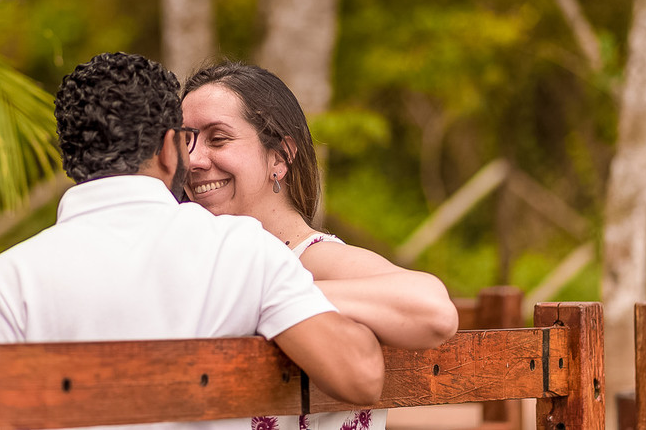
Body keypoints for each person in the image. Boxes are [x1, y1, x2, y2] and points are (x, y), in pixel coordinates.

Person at [0, 52, 385, 430]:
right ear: (171, 149)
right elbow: (361, 376)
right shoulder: (237, 249)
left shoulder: (6, 279)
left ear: (71, 157)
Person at [181, 61, 460, 430]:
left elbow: (434, 311)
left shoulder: (311, 257)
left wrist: (267, 295)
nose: (194, 160)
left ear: (279, 157)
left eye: (218, 139)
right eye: (185, 141)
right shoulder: (191, 261)